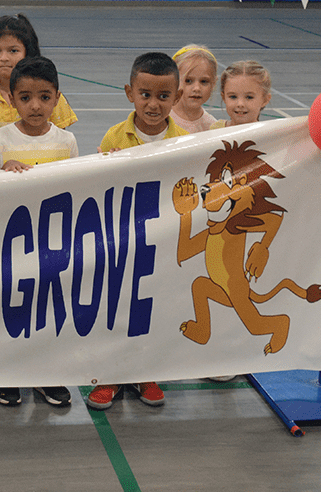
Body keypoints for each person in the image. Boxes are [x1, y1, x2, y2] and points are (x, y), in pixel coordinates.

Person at [88, 52, 189, 411]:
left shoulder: (187, 143)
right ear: (129, 92)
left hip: (162, 245)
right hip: (122, 242)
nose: (153, 104)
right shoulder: (116, 135)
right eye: (145, 94)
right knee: (116, 307)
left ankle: (145, 371)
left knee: (152, 307)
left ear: (176, 98)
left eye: (163, 96)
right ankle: (110, 373)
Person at [0, 55, 78, 408]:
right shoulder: (1, 139)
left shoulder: (66, 141)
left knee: (47, 310)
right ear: (11, 99)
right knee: (11, 308)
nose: (35, 105)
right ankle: (7, 374)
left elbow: (75, 188)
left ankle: (44, 374)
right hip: (11, 244)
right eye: (25, 97)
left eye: (44, 96)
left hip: (51, 243)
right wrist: (3, 169)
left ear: (57, 98)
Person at [0, 14, 77, 139]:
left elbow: (59, 140)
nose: (4, 58)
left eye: (13, 51)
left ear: (28, 52)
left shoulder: (49, 96)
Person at [169, 44, 219, 134]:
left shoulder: (212, 127)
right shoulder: (159, 120)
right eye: (188, 81)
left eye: (204, 81)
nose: (196, 88)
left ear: (213, 83)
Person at [212, 60, 273, 128]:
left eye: (249, 97)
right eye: (233, 97)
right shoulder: (216, 129)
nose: (240, 104)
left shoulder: (269, 135)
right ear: (223, 97)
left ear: (265, 100)